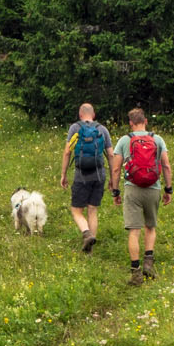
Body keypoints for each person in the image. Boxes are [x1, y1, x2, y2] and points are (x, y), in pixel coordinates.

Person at [112, 108, 171, 285]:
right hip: (154, 188)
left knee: (134, 231)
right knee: (150, 227)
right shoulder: (157, 139)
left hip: (133, 189)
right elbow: (166, 165)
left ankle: (136, 273)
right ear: (145, 120)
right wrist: (168, 189)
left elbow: (115, 169)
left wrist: (115, 191)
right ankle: (148, 264)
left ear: (130, 123)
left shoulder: (124, 140)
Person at [58, 102, 113, 253]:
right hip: (99, 174)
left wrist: (63, 174)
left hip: (81, 175)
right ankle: (90, 248)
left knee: (76, 210)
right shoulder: (102, 129)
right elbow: (110, 154)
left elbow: (67, 152)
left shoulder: (75, 128)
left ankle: (86, 234)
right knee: (92, 210)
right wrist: (113, 178)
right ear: (93, 115)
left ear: (80, 115)